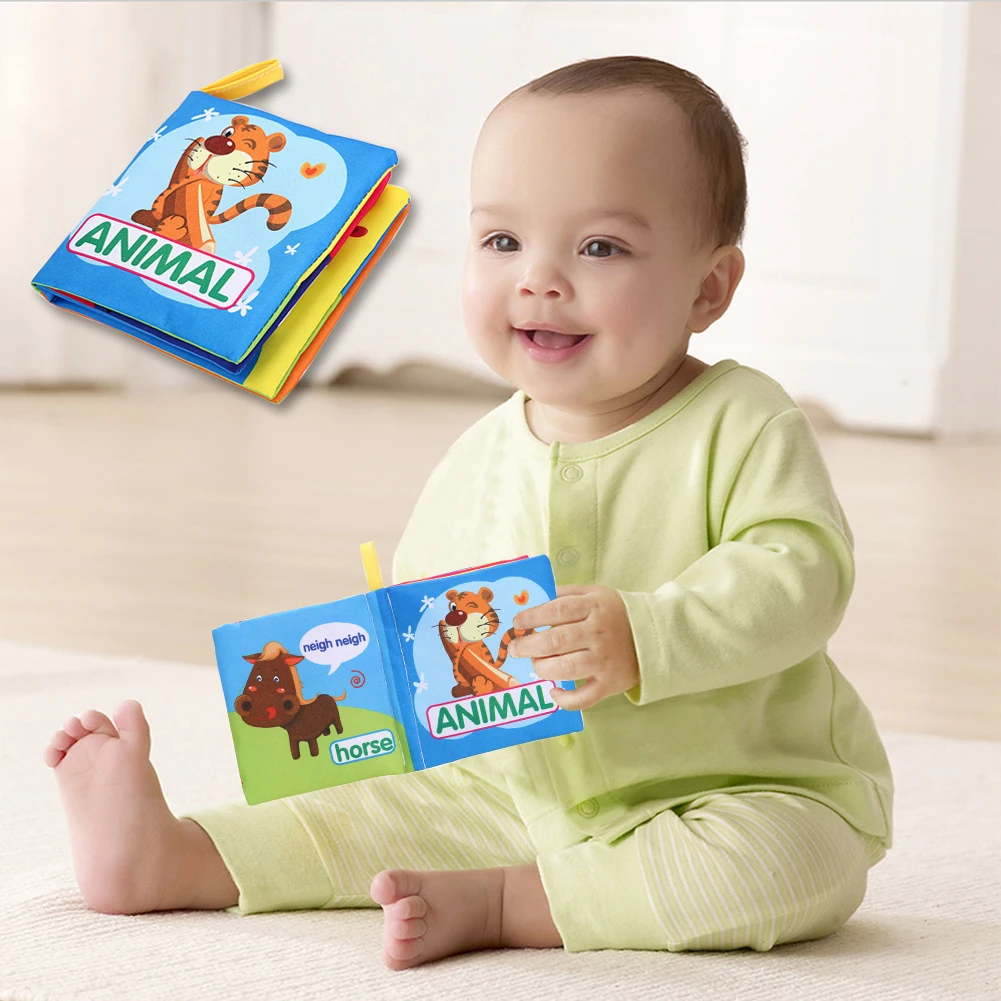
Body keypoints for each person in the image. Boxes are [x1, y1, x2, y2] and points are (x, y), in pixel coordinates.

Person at [43, 55, 893, 971]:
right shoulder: (478, 454)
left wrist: (645, 634)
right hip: (510, 790)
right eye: (501, 241)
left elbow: (801, 574)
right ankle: (176, 855)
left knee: (789, 865)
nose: (538, 279)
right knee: (354, 815)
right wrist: (375, 687)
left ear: (708, 288)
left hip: (729, 784)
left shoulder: (741, 420)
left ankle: (506, 900)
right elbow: (423, 624)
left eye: (599, 248)